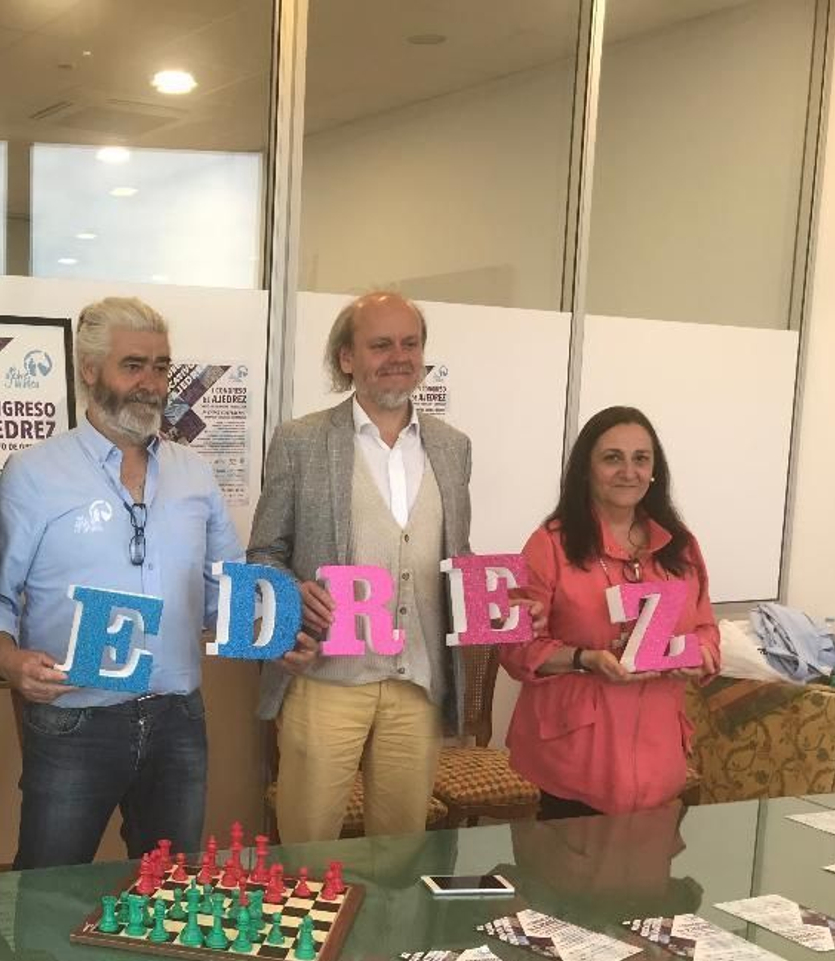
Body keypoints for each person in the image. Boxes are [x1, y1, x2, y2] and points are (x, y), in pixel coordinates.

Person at [0, 296, 308, 868]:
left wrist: (274, 632)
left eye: (161, 366)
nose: (151, 382)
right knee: (46, 895)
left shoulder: (194, 473)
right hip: (74, 719)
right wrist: (9, 661)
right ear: (89, 371)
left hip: (177, 719)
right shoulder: (32, 474)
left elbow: (223, 595)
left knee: (169, 896)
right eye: (133, 365)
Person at [247, 291, 472, 844]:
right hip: (328, 679)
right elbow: (263, 553)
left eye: (409, 343)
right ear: (347, 358)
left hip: (417, 683)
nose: (398, 356)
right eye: (380, 344)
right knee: (308, 850)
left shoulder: (452, 446)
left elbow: (457, 556)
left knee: (401, 851)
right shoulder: (301, 442)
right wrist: (292, 595)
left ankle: (393, 935)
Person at [498, 406, 719, 818]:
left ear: (655, 470)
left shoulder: (681, 546)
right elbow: (515, 647)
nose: (629, 471)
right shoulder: (549, 544)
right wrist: (585, 659)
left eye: (641, 459)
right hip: (576, 759)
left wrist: (701, 654)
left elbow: (706, 628)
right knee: (563, 881)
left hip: (659, 760)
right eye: (612, 458)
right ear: (586, 468)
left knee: (648, 879)